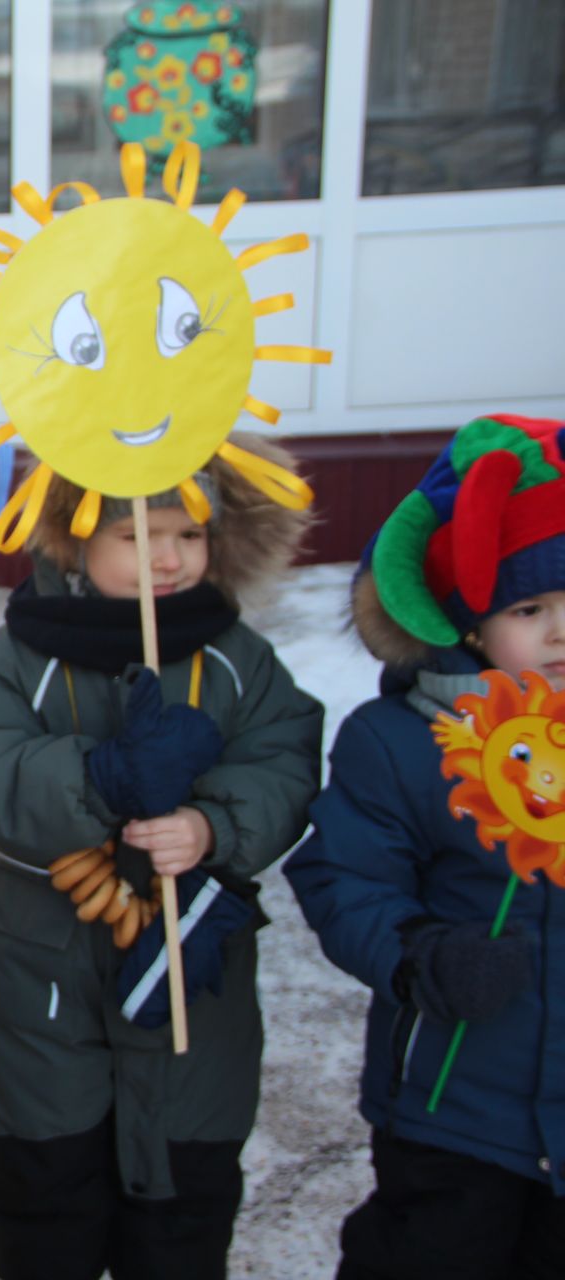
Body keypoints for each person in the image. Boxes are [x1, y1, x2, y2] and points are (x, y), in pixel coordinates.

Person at [0, 434, 322, 1280]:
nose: (169, 559)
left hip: (191, 965)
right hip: (39, 960)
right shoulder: (16, 659)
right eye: (136, 537)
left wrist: (215, 826)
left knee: (181, 1185)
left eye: (188, 535)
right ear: (77, 541)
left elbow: (283, 759)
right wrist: (97, 776)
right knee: (49, 1182)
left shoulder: (236, 659)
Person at [284, 414, 565, 1279]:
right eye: (530, 608)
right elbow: (343, 877)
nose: (560, 633)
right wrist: (421, 954)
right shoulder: (400, 743)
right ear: (473, 626)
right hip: (453, 1101)